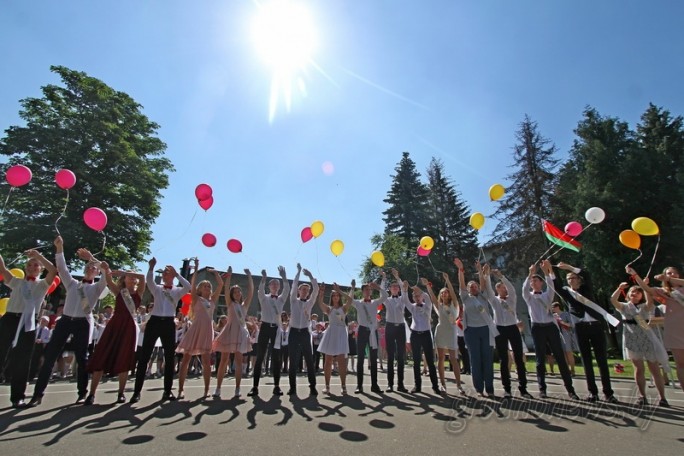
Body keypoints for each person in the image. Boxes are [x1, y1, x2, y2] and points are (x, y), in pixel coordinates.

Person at [29, 237, 108, 407]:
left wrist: (92, 258)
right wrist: (59, 248)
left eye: (93, 268)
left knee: (82, 358)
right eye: (87, 267)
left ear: (96, 272)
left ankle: (82, 393)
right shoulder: (72, 284)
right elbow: (62, 268)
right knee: (50, 356)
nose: (90, 268)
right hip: (65, 321)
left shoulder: (97, 287)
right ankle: (37, 394)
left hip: (82, 323)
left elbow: (106, 271)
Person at [0, 249, 57, 408]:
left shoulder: (43, 284)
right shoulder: (17, 282)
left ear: (41, 269)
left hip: (28, 323)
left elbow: (53, 270)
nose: (32, 267)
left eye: (36, 265)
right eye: (29, 265)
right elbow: (3, 269)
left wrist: (38, 256)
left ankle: (18, 396)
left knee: (22, 361)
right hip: (10, 319)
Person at [553, 262, 617, 403]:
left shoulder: (586, 289)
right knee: (586, 361)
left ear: (579, 280)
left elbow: (586, 274)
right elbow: (556, 286)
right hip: (580, 328)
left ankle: (608, 393)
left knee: (602, 361)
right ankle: (592, 393)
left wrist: (569, 268)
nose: (571, 281)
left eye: (574, 278)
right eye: (569, 279)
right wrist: (549, 271)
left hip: (596, 326)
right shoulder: (568, 293)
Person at [131, 258, 191, 403]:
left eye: (168, 272)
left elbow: (188, 286)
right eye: (164, 272)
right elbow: (149, 281)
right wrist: (151, 268)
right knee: (145, 356)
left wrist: (177, 275)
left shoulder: (176, 291)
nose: (165, 274)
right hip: (155, 321)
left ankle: (167, 391)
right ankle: (137, 391)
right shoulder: (157, 288)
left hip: (168, 323)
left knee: (169, 358)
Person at [85, 265, 145, 405]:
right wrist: (106, 269)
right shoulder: (119, 291)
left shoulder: (139, 293)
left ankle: (121, 393)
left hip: (128, 327)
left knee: (124, 358)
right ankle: (92, 394)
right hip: (115, 325)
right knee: (102, 355)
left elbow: (143, 278)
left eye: (133, 275)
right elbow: (108, 280)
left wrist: (125, 271)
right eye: (129, 275)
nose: (132, 277)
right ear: (124, 279)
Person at [522, 260, 578, 400]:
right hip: (537, 328)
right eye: (532, 282)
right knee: (540, 359)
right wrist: (530, 273)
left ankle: (570, 390)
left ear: (541, 283)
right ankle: (542, 389)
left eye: (536, 281)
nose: (533, 283)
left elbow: (551, 285)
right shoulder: (529, 297)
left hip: (550, 327)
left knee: (559, 356)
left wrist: (547, 271)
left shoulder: (547, 295)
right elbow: (523, 289)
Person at [610, 277, 669, 406]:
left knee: (654, 368)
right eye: (632, 292)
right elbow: (613, 300)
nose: (634, 294)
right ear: (628, 295)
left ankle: (662, 397)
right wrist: (619, 288)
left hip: (647, 338)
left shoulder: (645, 307)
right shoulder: (625, 307)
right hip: (632, 339)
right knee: (639, 369)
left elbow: (649, 300)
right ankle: (642, 396)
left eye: (638, 292)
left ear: (641, 294)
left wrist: (644, 286)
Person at [630, 266, 684, 393]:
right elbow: (646, 289)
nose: (671, 275)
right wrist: (635, 274)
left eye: (673, 273)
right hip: (675, 331)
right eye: (668, 273)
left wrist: (668, 277)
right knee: (681, 365)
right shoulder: (664, 292)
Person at [481, 265, 531, 399]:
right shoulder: (494, 301)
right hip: (500, 329)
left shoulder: (511, 299)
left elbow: (512, 289)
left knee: (519, 359)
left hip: (512, 328)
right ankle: (507, 389)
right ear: (498, 289)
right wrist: (486, 276)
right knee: (504, 359)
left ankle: (523, 388)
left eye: (505, 287)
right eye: (502, 287)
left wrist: (501, 276)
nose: (505, 289)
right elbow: (489, 290)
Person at [176, 261, 222, 400]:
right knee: (185, 361)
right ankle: (180, 389)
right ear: (200, 289)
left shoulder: (213, 300)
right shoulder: (196, 299)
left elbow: (220, 285)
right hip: (195, 330)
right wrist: (195, 269)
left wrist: (215, 273)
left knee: (206, 362)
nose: (208, 288)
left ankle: (207, 390)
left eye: (209, 286)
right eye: (205, 286)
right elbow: (193, 282)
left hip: (207, 331)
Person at [453, 258, 498, 398]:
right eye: (470, 286)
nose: (473, 287)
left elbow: (484, 283)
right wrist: (460, 269)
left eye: (475, 286)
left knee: (487, 359)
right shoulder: (466, 298)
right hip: (471, 332)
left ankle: (489, 388)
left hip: (485, 330)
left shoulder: (484, 296)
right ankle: (479, 388)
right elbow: (461, 284)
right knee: (475, 360)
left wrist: (480, 271)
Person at [248, 267, 290, 397]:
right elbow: (259, 291)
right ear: (269, 286)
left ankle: (276, 386)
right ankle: (255, 387)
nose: (275, 286)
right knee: (260, 357)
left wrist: (283, 277)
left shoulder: (281, 299)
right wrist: (263, 279)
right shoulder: (264, 298)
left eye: (277, 284)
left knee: (276, 358)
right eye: (272, 284)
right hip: (265, 328)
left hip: (276, 330)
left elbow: (287, 290)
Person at [213, 266, 254, 398]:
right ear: (232, 294)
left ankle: (237, 388)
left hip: (240, 333)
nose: (237, 293)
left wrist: (249, 276)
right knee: (224, 360)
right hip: (229, 331)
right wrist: (229, 275)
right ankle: (218, 388)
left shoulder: (244, 306)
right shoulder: (230, 303)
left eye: (239, 292)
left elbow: (251, 291)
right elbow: (226, 289)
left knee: (238, 360)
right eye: (235, 292)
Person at [424, 272, 465, 395]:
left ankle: (459, 385)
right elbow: (432, 297)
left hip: (451, 332)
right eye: (442, 293)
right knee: (440, 358)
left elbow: (453, 293)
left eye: (445, 292)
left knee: (454, 359)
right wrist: (427, 286)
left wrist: (447, 280)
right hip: (440, 331)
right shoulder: (439, 305)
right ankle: (442, 384)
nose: (444, 294)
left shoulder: (454, 305)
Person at [349, 276, 388, 394]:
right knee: (360, 358)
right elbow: (349, 300)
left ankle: (374, 385)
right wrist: (352, 288)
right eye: (365, 289)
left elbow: (385, 296)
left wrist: (378, 288)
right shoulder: (358, 303)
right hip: (362, 332)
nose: (367, 291)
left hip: (373, 332)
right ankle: (359, 385)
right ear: (362, 291)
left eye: (369, 289)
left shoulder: (375, 302)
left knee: (373, 358)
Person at [286, 263, 318, 396]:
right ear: (299, 291)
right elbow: (293, 285)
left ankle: (312, 386)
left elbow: (316, 290)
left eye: (306, 290)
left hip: (305, 332)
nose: (304, 291)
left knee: (309, 360)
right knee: (292, 360)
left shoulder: (310, 302)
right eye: (302, 289)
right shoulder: (293, 300)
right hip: (293, 332)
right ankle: (292, 387)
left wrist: (310, 276)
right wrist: (298, 272)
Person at [316, 283, 352, 394]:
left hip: (341, 333)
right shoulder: (329, 309)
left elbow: (350, 300)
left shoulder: (344, 308)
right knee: (328, 361)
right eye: (334, 295)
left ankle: (343, 386)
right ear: (331, 298)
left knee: (342, 361)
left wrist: (339, 290)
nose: (336, 297)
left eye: (337, 295)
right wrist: (321, 293)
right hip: (331, 333)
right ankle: (327, 386)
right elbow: (320, 303)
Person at [407, 278, 440, 394]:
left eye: (418, 296)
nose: (417, 297)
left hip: (426, 334)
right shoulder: (412, 307)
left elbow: (427, 296)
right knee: (416, 361)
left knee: (430, 362)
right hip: (415, 335)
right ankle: (417, 386)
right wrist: (405, 287)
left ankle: (435, 386)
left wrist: (420, 289)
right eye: (415, 296)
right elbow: (405, 300)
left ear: (421, 296)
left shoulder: (427, 306)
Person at [383, 268, 409, 393]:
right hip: (390, 327)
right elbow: (382, 291)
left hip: (400, 327)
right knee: (390, 356)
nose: (394, 288)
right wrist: (384, 278)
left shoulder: (402, 299)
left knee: (400, 357)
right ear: (390, 289)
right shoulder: (387, 300)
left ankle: (400, 384)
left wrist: (398, 277)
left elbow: (405, 291)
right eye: (392, 286)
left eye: (396, 286)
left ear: (398, 289)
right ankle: (390, 384)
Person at [552, 302, 576, 376]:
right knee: (562, 354)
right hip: (557, 335)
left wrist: (562, 322)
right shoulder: (553, 316)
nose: (552, 309)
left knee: (568, 352)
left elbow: (572, 325)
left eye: (553, 307)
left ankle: (573, 370)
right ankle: (566, 370)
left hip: (566, 335)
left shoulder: (566, 314)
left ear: (557, 307)